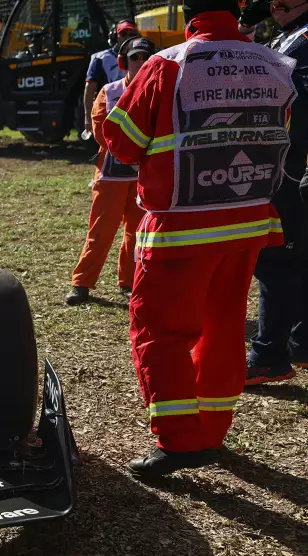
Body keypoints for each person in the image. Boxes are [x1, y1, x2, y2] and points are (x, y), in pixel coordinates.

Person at [102, 0, 295, 477]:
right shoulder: (274, 62)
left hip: (182, 227)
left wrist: (121, 95)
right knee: (225, 326)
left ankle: (182, 441)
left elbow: (122, 143)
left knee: (161, 332)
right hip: (249, 221)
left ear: (189, 11)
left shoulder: (165, 65)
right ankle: (212, 429)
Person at [241, 0, 308, 385]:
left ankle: (269, 356)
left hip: (289, 167)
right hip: (291, 166)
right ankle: (301, 342)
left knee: (276, 261)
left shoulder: (301, 41)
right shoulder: (290, 35)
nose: (273, 5)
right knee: (297, 255)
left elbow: (297, 112)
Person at [66, 37, 156, 306]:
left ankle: (128, 283)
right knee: (100, 231)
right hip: (110, 176)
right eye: (135, 57)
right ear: (123, 62)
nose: (140, 62)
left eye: (144, 57)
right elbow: (101, 131)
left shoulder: (158, 91)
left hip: (142, 176)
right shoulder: (110, 91)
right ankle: (81, 283)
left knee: (137, 232)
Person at [83, 20, 140, 136]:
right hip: (108, 116)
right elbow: (89, 89)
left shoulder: (144, 56)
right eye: (123, 35)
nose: (128, 38)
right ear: (115, 37)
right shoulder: (100, 58)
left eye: (132, 35)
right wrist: (87, 117)